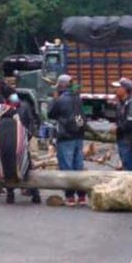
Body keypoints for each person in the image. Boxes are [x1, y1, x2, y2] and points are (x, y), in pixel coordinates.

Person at [0, 95, 41, 205]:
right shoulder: (20, 126)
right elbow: (29, 134)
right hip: (21, 161)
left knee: (0, 159)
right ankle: (35, 194)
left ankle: (10, 194)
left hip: (3, 163)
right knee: (27, 166)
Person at [48, 74, 87, 206]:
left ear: (61, 86)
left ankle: (70, 196)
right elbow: (80, 117)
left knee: (67, 166)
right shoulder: (77, 98)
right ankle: (82, 196)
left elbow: (50, 114)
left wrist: (54, 99)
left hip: (65, 137)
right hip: (78, 135)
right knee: (78, 165)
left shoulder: (60, 100)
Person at [111, 77, 132, 171]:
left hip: (129, 139)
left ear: (124, 89)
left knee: (128, 166)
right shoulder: (122, 102)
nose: (115, 90)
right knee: (125, 164)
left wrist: (118, 128)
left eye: (117, 87)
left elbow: (130, 121)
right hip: (124, 138)